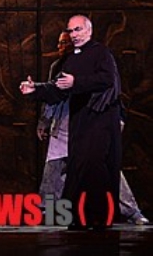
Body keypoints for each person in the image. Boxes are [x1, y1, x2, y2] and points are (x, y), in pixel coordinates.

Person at [21, 15, 122, 230]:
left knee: (95, 167)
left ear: (89, 31)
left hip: (100, 120)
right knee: (78, 169)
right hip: (79, 122)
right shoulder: (71, 60)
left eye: (78, 30)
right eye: (71, 31)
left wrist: (77, 82)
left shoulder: (101, 53)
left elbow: (107, 80)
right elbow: (58, 89)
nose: (74, 35)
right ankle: (80, 218)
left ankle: (100, 218)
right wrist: (35, 89)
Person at [37, 32, 149, 226]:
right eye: (60, 43)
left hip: (90, 125)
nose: (60, 47)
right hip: (63, 125)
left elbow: (109, 91)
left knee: (103, 166)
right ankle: (47, 212)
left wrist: (114, 123)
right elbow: (51, 95)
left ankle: (132, 212)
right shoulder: (57, 66)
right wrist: (44, 121)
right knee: (54, 169)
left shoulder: (95, 63)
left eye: (65, 43)